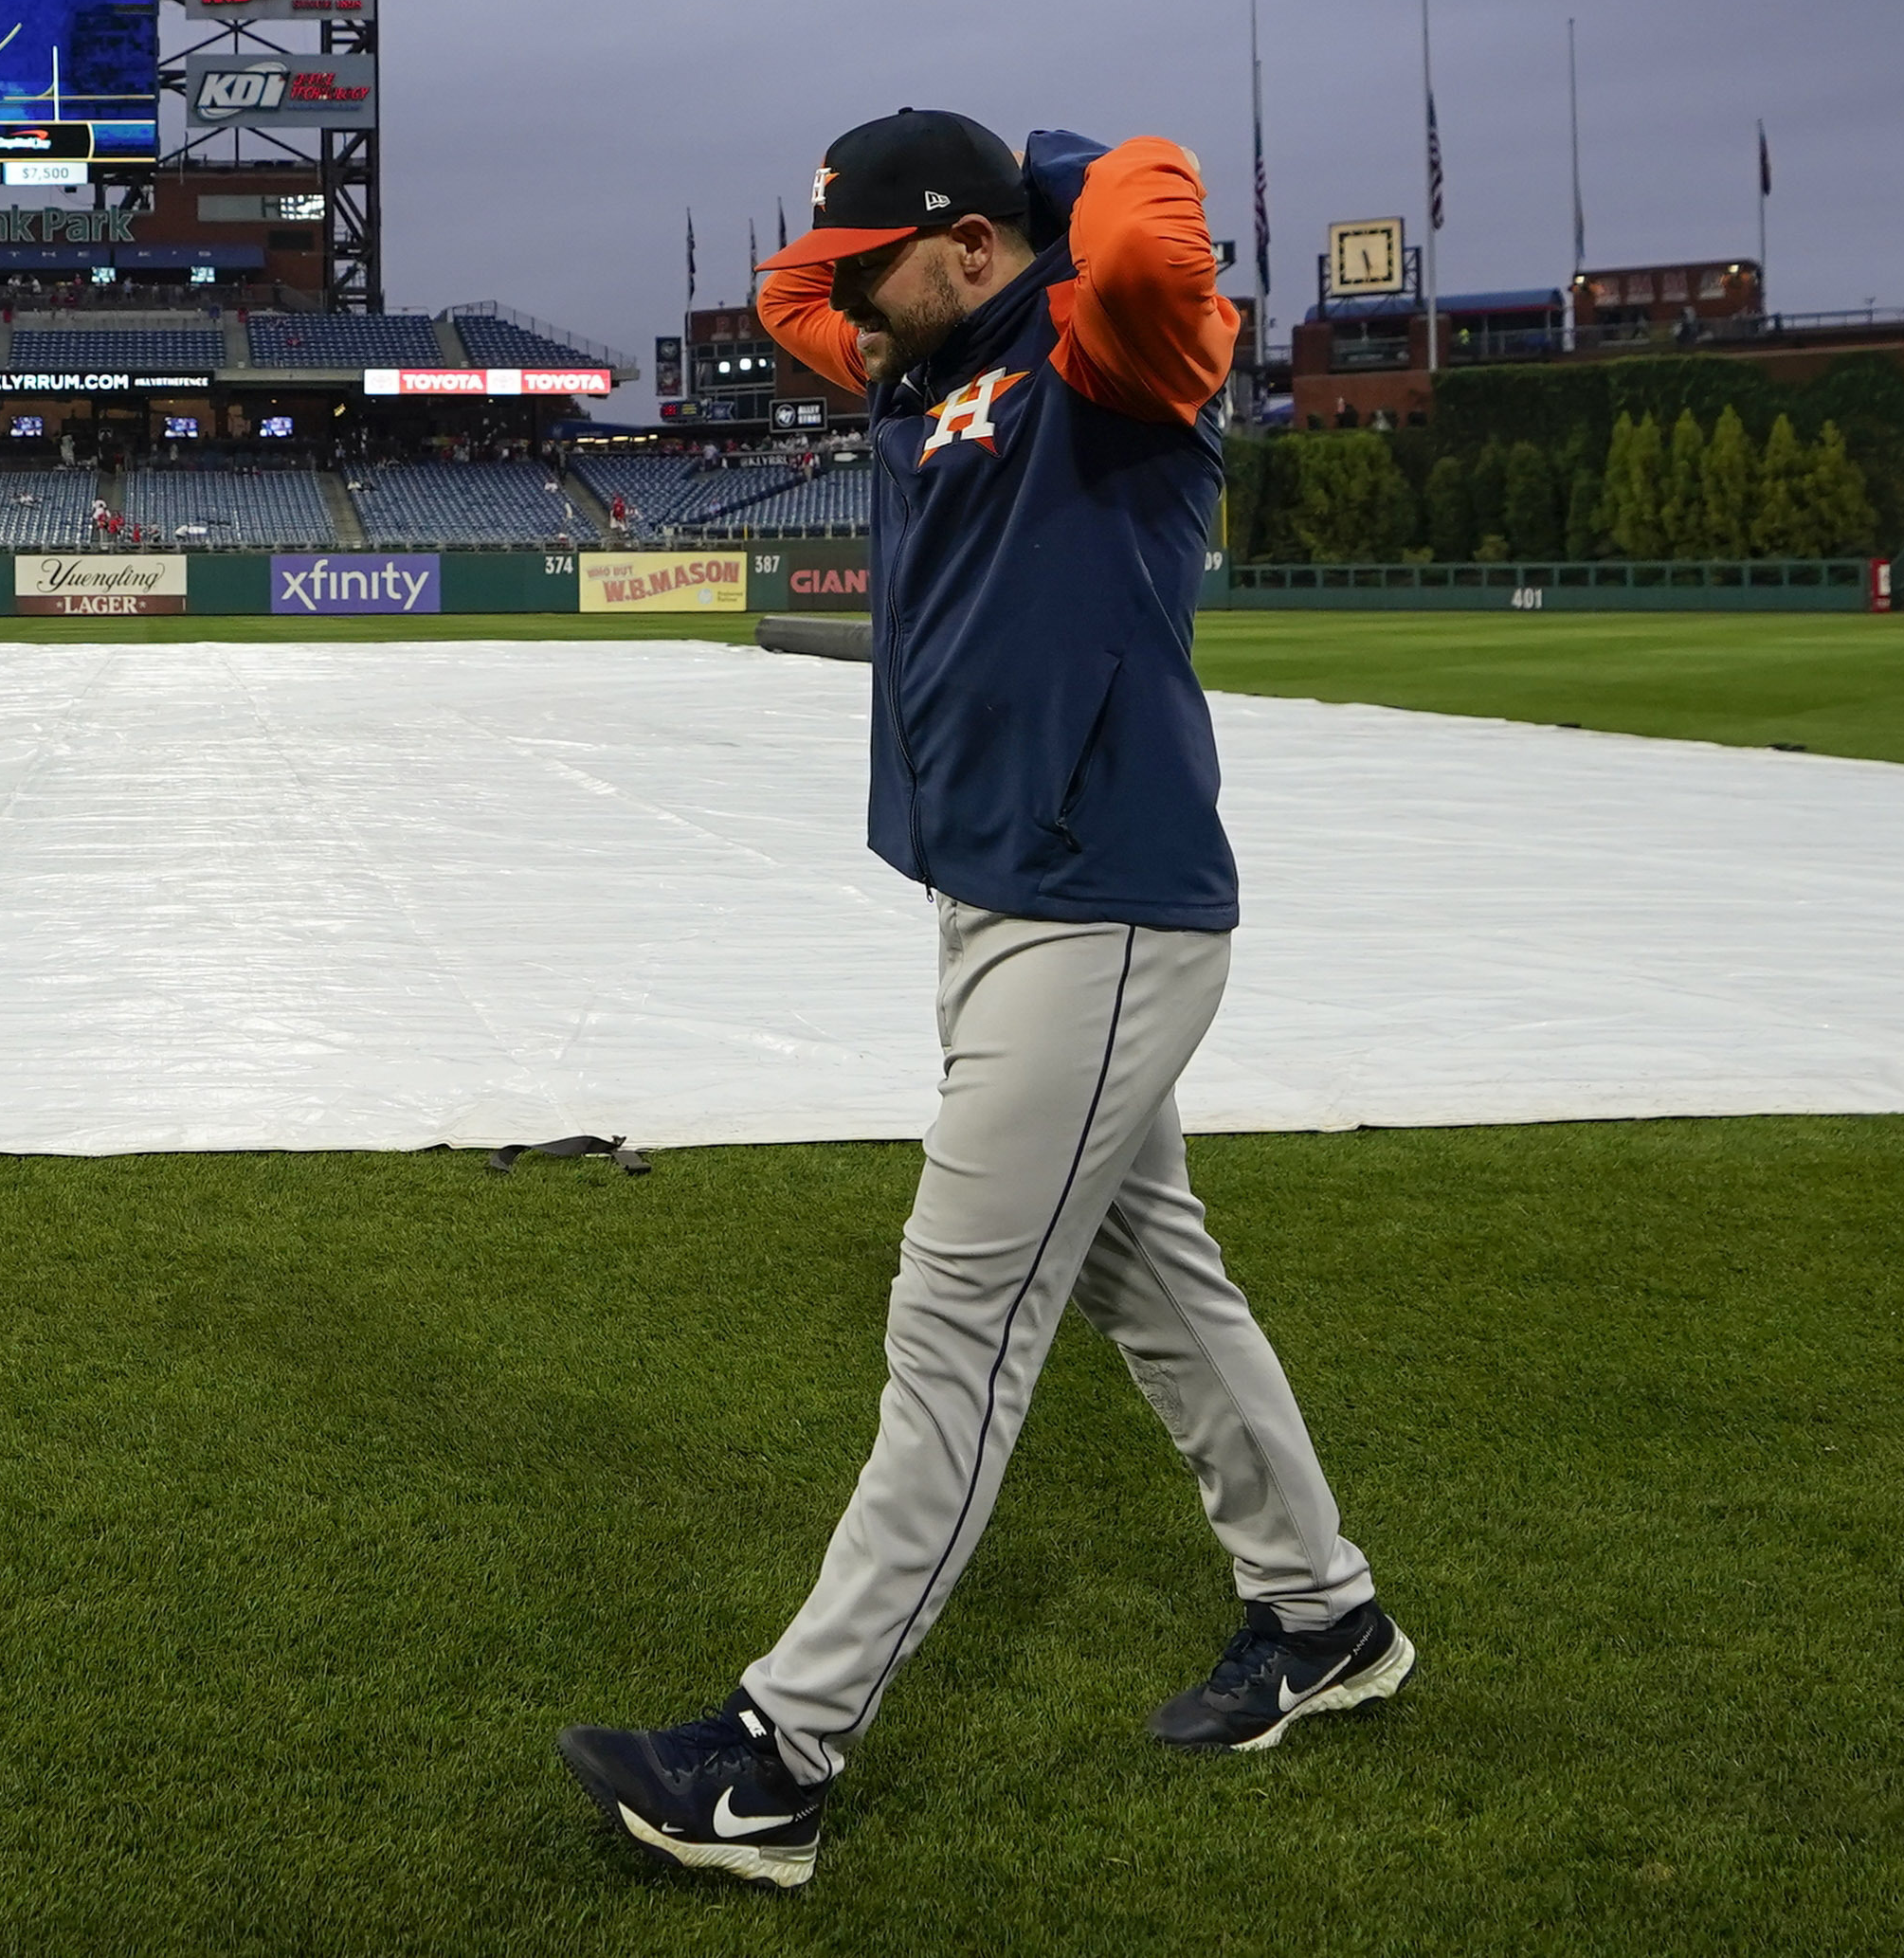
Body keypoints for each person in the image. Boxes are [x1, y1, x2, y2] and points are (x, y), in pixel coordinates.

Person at [555, 109, 1403, 1893]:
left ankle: (776, 1761)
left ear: (967, 241)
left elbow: (1165, 245)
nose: (835, 314)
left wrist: (1082, 162)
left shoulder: (1115, 348)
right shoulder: (908, 344)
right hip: (999, 900)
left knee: (957, 1321)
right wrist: (882, 237)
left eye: (880, 273)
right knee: (1159, 1283)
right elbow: (794, 282)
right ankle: (1324, 1614)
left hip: (1098, 909)